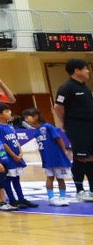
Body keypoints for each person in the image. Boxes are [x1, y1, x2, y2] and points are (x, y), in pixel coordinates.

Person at [52, 58, 93, 201]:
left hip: (89, 126)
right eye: (86, 68)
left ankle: (92, 189)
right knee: (81, 157)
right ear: (77, 71)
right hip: (77, 127)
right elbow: (58, 107)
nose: (88, 71)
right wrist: (64, 122)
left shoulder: (84, 87)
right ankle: (79, 190)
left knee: (91, 157)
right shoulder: (66, 87)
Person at [21, 108, 73, 205]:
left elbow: (58, 138)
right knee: (50, 177)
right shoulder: (36, 132)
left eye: (27, 117)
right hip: (47, 159)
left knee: (60, 178)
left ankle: (62, 197)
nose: (26, 119)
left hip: (57, 157)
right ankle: (51, 197)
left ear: (36, 117)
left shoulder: (48, 126)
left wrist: (64, 151)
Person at [0, 101, 36, 209]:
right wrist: (13, 155)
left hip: (17, 156)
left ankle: (21, 198)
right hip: (9, 158)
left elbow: (16, 140)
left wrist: (20, 152)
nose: (10, 112)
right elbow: (3, 144)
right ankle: (12, 200)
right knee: (8, 179)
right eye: (7, 111)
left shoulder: (10, 126)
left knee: (16, 178)